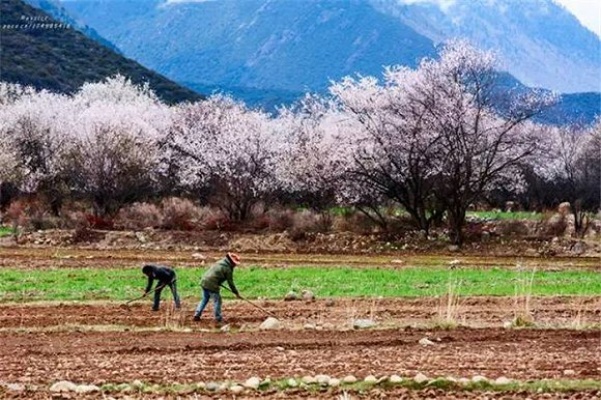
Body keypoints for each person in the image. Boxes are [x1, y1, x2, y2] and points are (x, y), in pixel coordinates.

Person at [193, 252, 241, 323]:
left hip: (204, 280)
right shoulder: (228, 269)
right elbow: (230, 283)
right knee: (217, 301)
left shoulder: (220, 262)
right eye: (235, 264)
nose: (235, 266)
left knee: (205, 299)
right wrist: (236, 293)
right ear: (232, 262)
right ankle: (218, 318)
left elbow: (214, 272)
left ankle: (197, 314)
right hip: (211, 284)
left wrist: (218, 281)